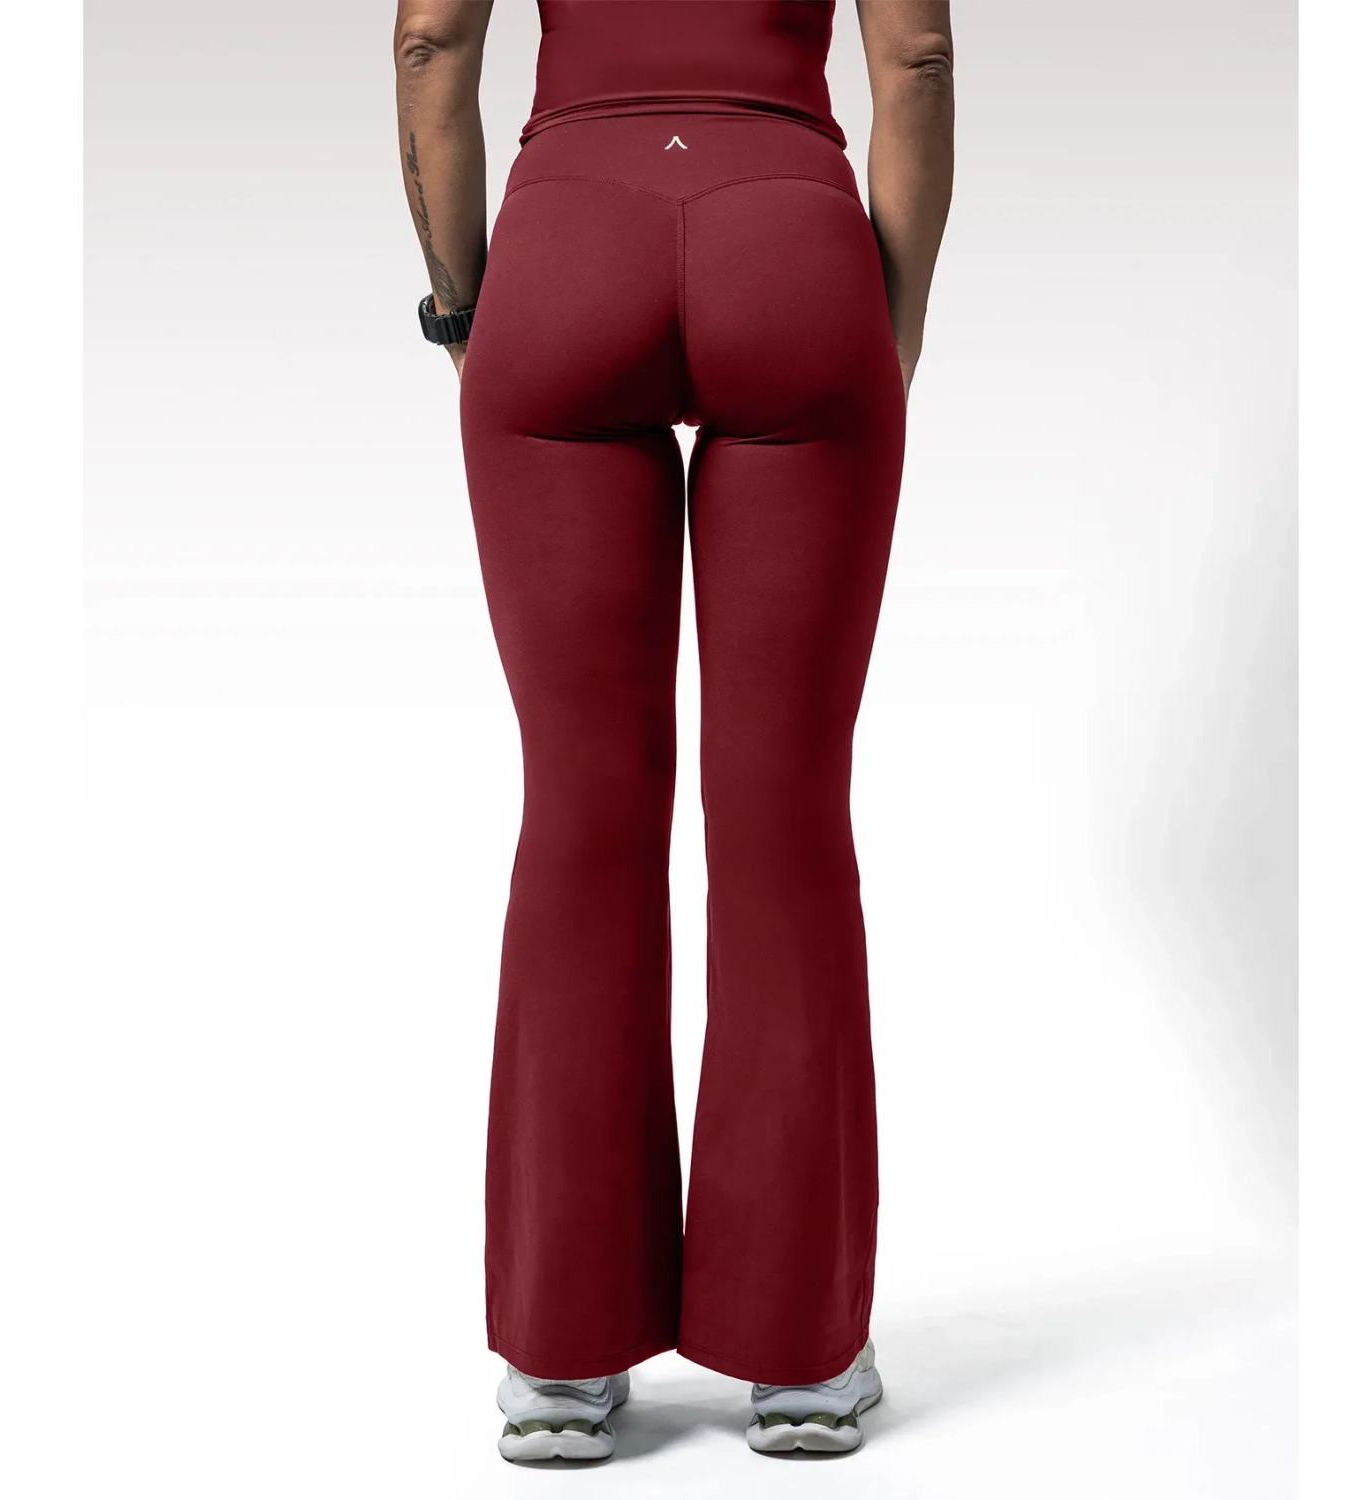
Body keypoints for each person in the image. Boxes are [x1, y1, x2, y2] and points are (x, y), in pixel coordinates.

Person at [395, 0, 954, 1461]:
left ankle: (563, 1356)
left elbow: (433, 44)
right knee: (785, 812)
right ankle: (803, 1355)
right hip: (794, 248)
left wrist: (468, 310)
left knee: (581, 809)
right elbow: (913, 62)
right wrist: (886, 324)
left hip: (566, 248)